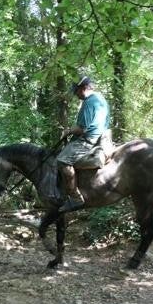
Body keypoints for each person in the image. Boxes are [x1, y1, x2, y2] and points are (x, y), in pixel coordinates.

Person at [57, 76, 111, 213]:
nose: (76, 94)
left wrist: (68, 131)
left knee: (62, 160)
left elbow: (82, 128)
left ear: (84, 88)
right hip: (101, 135)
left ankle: (75, 197)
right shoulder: (100, 98)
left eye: (76, 91)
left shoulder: (88, 102)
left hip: (88, 139)